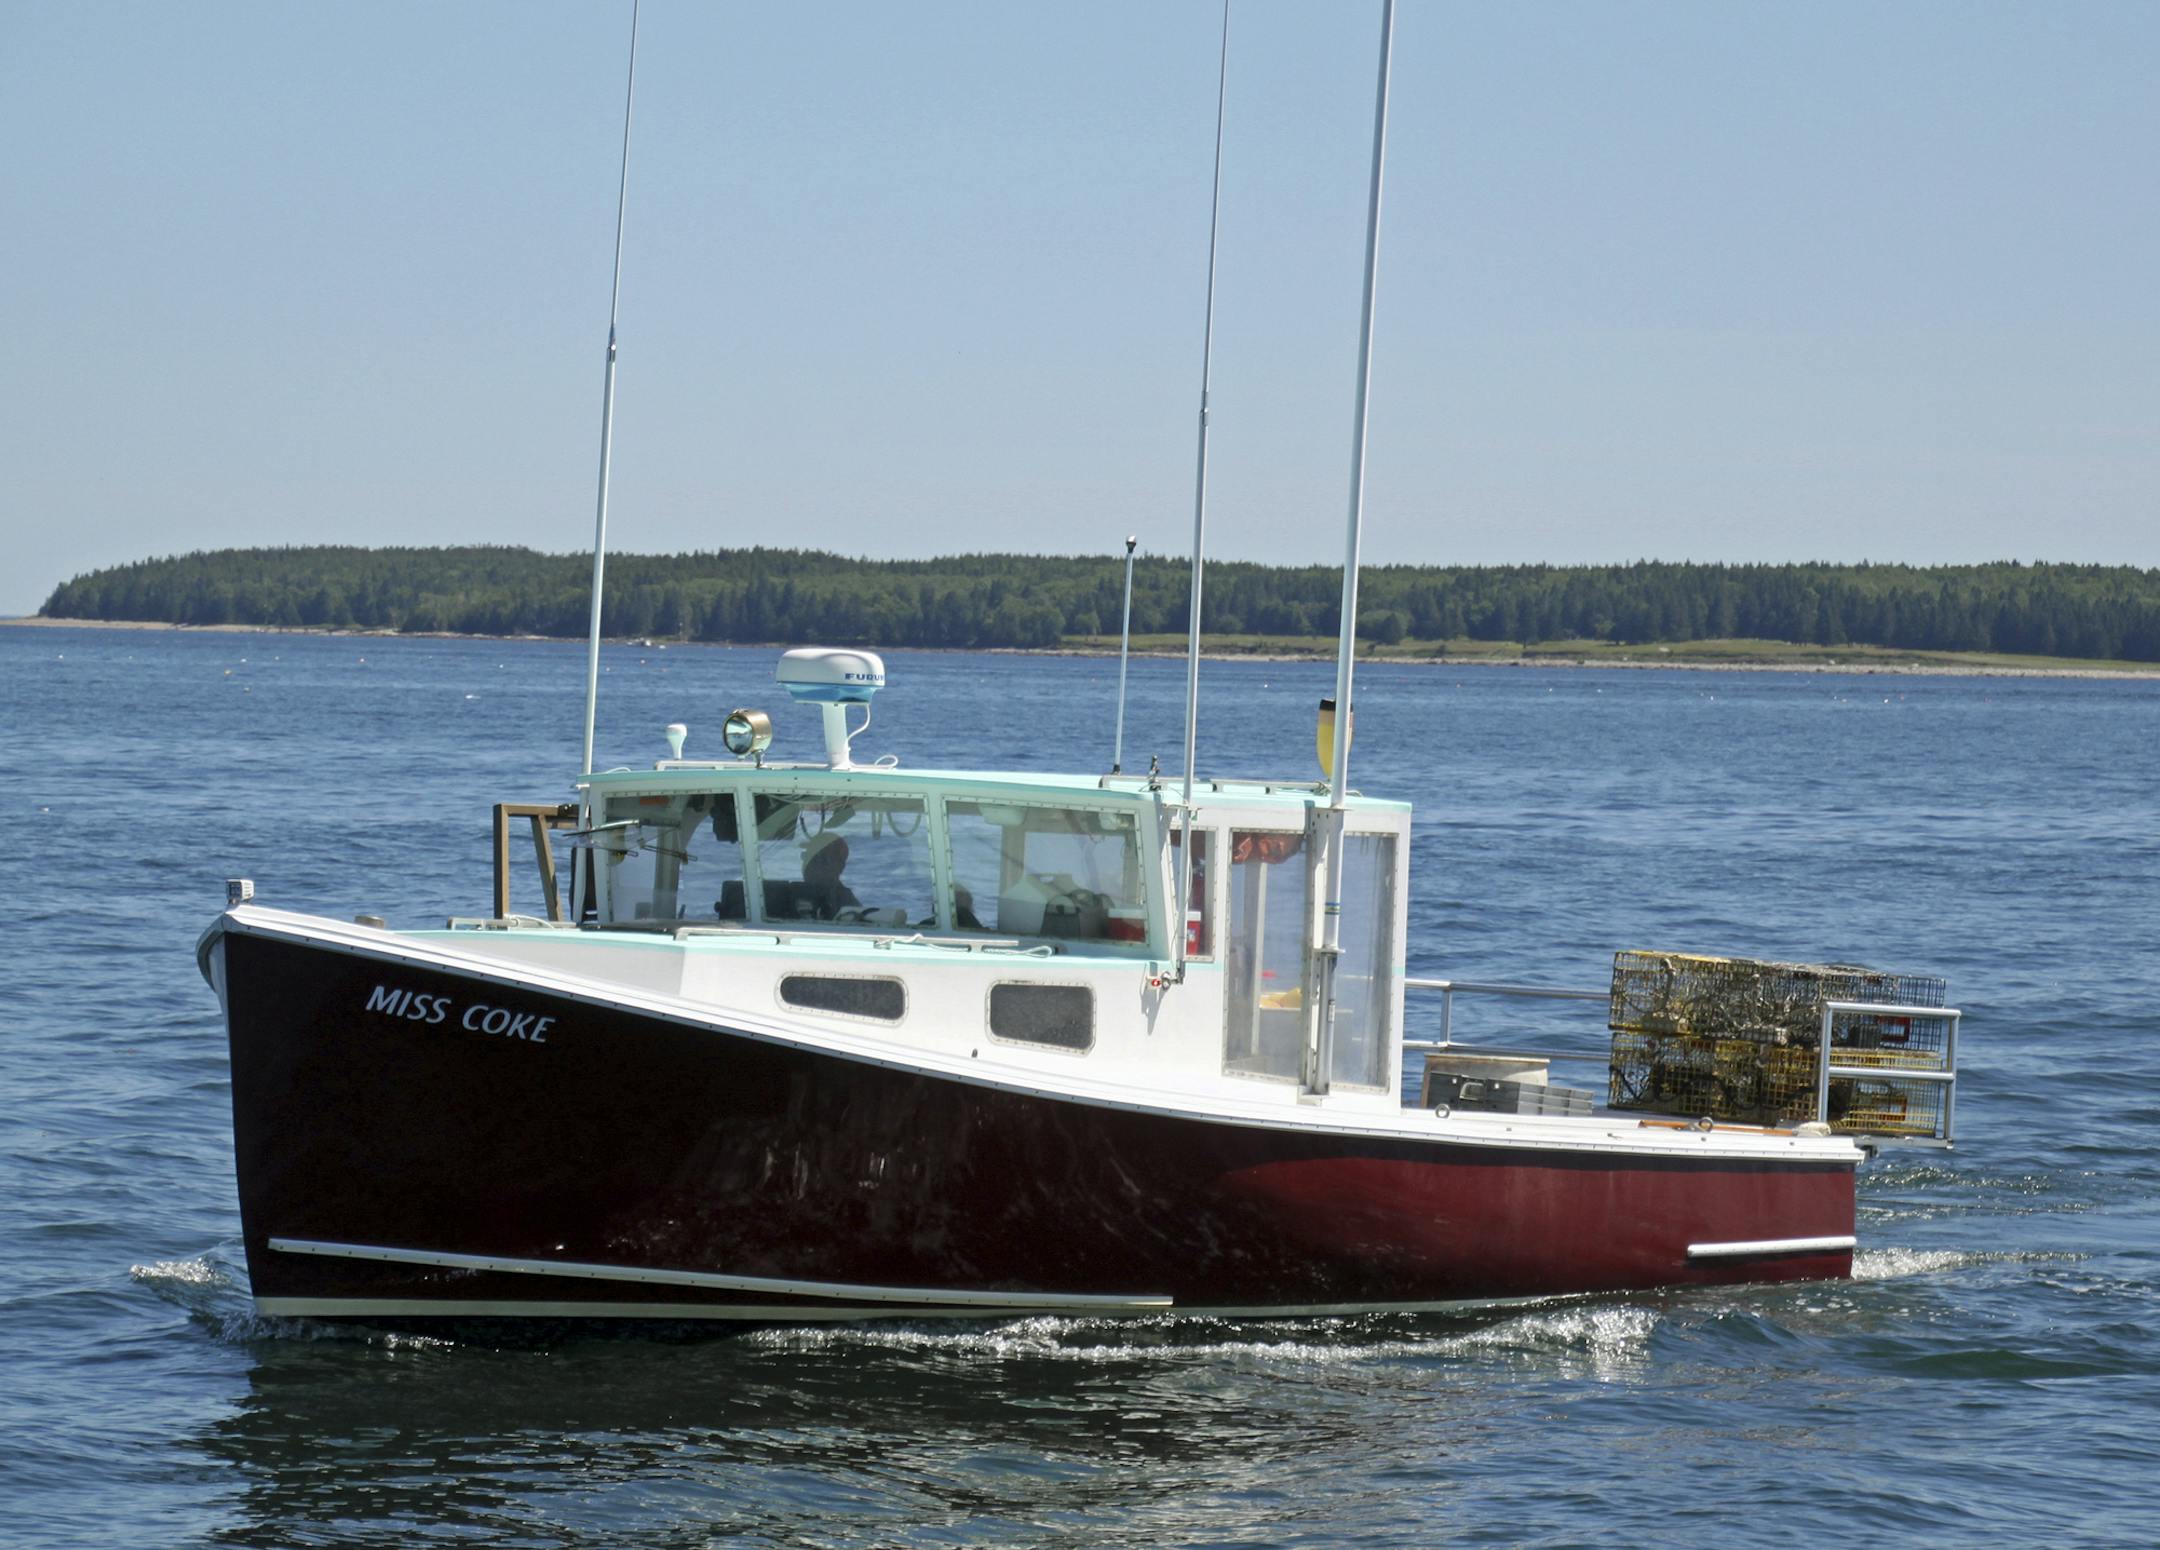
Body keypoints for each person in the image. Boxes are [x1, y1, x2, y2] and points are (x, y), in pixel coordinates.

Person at [800, 830, 860, 919]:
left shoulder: (846, 903)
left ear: (840, 867)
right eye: (807, 856)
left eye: (821, 859)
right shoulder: (790, 894)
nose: (809, 864)